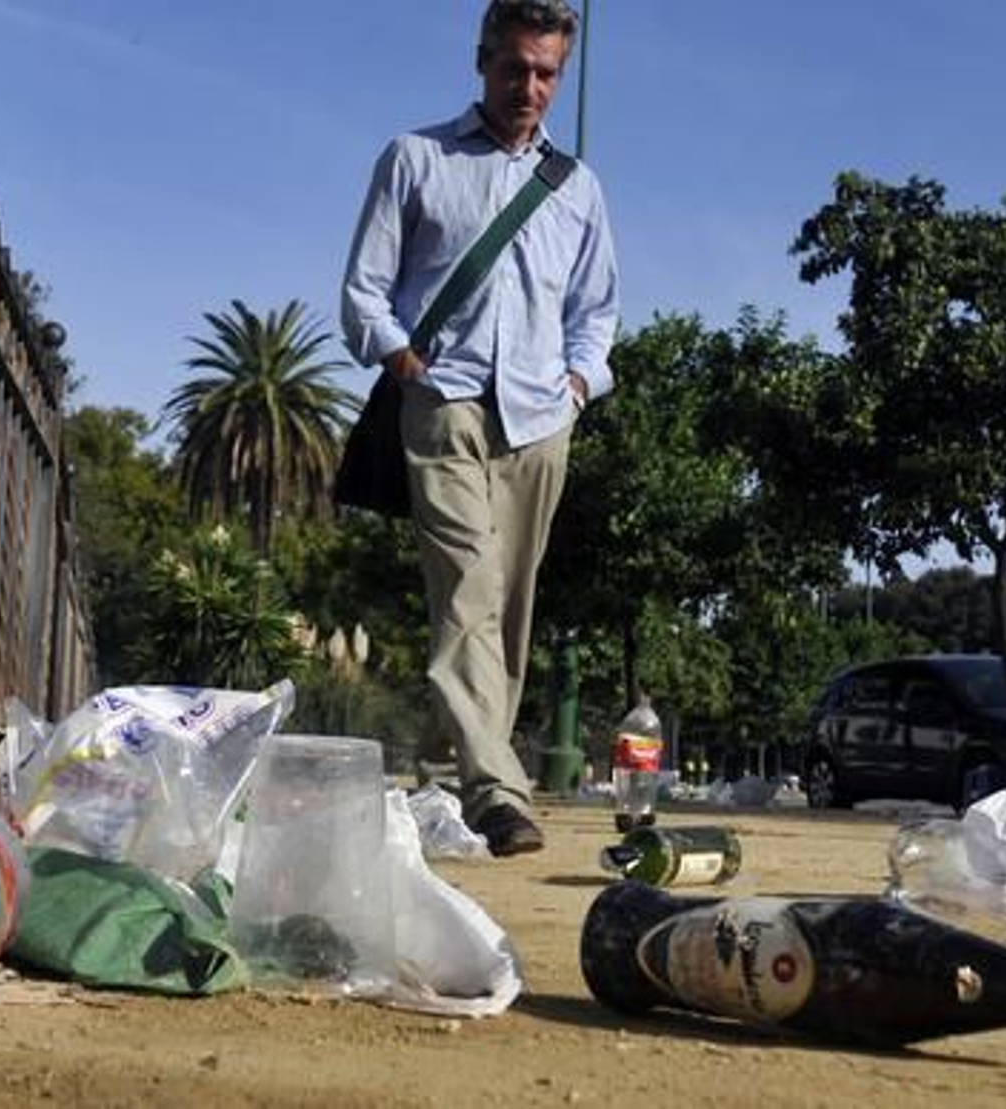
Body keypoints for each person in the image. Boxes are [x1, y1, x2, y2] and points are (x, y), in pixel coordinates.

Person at [341, 0, 619, 856]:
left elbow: (596, 308)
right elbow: (363, 289)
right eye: (515, 68)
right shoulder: (417, 157)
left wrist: (580, 381)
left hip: (541, 417)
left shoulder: (577, 187)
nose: (529, 87)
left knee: (507, 606)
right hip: (446, 399)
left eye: (546, 74)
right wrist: (401, 361)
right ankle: (498, 790)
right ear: (481, 60)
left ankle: (451, 763)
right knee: (465, 585)